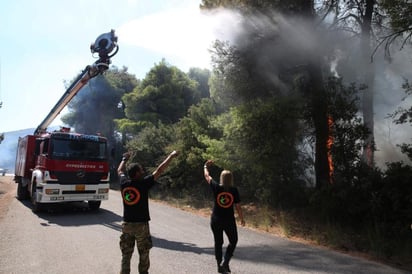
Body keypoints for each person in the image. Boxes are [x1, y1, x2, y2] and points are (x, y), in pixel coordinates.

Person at [117, 150, 178, 274]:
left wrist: (124, 159)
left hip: (127, 225)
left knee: (126, 255)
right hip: (141, 226)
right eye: (141, 170)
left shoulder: (124, 183)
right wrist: (170, 156)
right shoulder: (143, 184)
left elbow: (119, 171)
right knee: (144, 254)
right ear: (137, 174)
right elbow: (159, 170)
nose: (143, 171)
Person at [203, 160, 245, 273]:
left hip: (216, 219)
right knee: (233, 240)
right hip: (228, 220)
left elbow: (207, 176)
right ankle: (225, 262)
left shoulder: (216, 187)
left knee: (218, 242)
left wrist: (205, 166)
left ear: (221, 178)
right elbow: (238, 207)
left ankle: (219, 265)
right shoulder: (234, 190)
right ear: (231, 179)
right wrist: (242, 219)